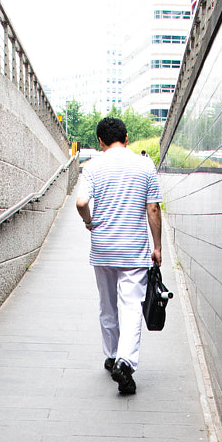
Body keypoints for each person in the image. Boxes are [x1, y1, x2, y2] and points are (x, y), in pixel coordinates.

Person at [75, 116, 162, 396]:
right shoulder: (145, 165)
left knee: (107, 306)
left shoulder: (93, 166)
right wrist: (157, 247)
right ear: (127, 138)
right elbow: (153, 209)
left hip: (102, 249)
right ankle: (125, 361)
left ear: (100, 142)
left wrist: (89, 222)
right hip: (133, 251)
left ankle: (111, 355)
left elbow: (81, 202)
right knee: (131, 305)